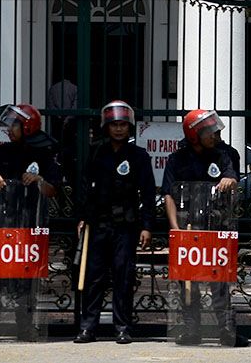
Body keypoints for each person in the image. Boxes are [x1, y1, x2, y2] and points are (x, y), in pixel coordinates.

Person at [161, 109, 247, 347]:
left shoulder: (226, 154)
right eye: (210, 131)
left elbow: (232, 178)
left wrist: (230, 180)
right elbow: (168, 194)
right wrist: (175, 229)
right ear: (195, 134)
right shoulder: (177, 159)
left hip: (215, 225)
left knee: (219, 280)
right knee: (188, 283)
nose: (216, 134)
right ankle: (191, 330)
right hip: (187, 227)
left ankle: (226, 330)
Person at [0, 103, 62, 342]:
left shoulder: (45, 152)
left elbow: (53, 189)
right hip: (1, 220)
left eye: (14, 124)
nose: (9, 129)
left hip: (28, 221)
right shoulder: (3, 150)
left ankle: (25, 326)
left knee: (25, 277)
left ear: (27, 126)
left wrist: (39, 179)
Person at [74, 100, 156, 345]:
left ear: (129, 126)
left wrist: (147, 226)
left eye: (122, 125)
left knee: (123, 277)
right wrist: (81, 218)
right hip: (97, 224)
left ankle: (122, 327)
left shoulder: (139, 156)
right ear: (106, 126)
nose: (118, 129)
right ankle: (88, 328)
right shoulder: (96, 152)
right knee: (93, 277)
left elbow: (149, 193)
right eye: (114, 125)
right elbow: (83, 187)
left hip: (126, 226)